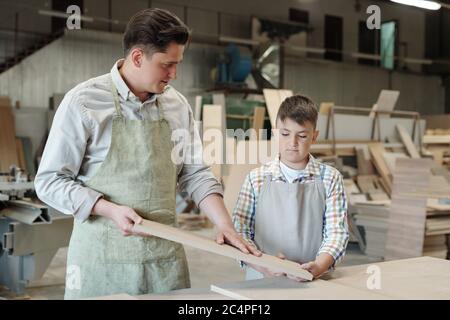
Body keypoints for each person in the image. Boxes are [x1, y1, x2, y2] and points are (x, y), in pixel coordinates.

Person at [35, 8, 259, 300]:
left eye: (177, 64)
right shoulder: (84, 102)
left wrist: (225, 225)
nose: (174, 74)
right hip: (100, 262)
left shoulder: (177, 106)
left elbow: (195, 173)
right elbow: (49, 181)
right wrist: (108, 209)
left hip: (162, 263)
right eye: (167, 65)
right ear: (138, 57)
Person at [233, 95, 349, 281]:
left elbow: (337, 233)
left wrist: (319, 266)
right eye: (285, 134)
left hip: (314, 279)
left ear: (314, 136)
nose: (292, 143)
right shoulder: (256, 179)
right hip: (261, 277)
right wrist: (263, 265)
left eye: (302, 136)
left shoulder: (330, 178)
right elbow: (240, 231)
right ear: (275, 132)